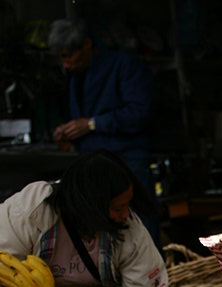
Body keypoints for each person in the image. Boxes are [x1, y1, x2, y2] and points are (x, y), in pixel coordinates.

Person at [0, 150, 178, 287]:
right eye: (117, 208)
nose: (125, 214)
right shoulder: (31, 212)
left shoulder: (130, 232)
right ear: (92, 206)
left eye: (127, 206)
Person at [47, 18, 153, 191]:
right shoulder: (76, 76)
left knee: (135, 215)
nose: (66, 64)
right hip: (92, 162)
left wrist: (91, 124)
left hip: (126, 161)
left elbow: (139, 113)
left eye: (68, 56)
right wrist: (69, 134)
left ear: (87, 44)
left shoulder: (124, 65)